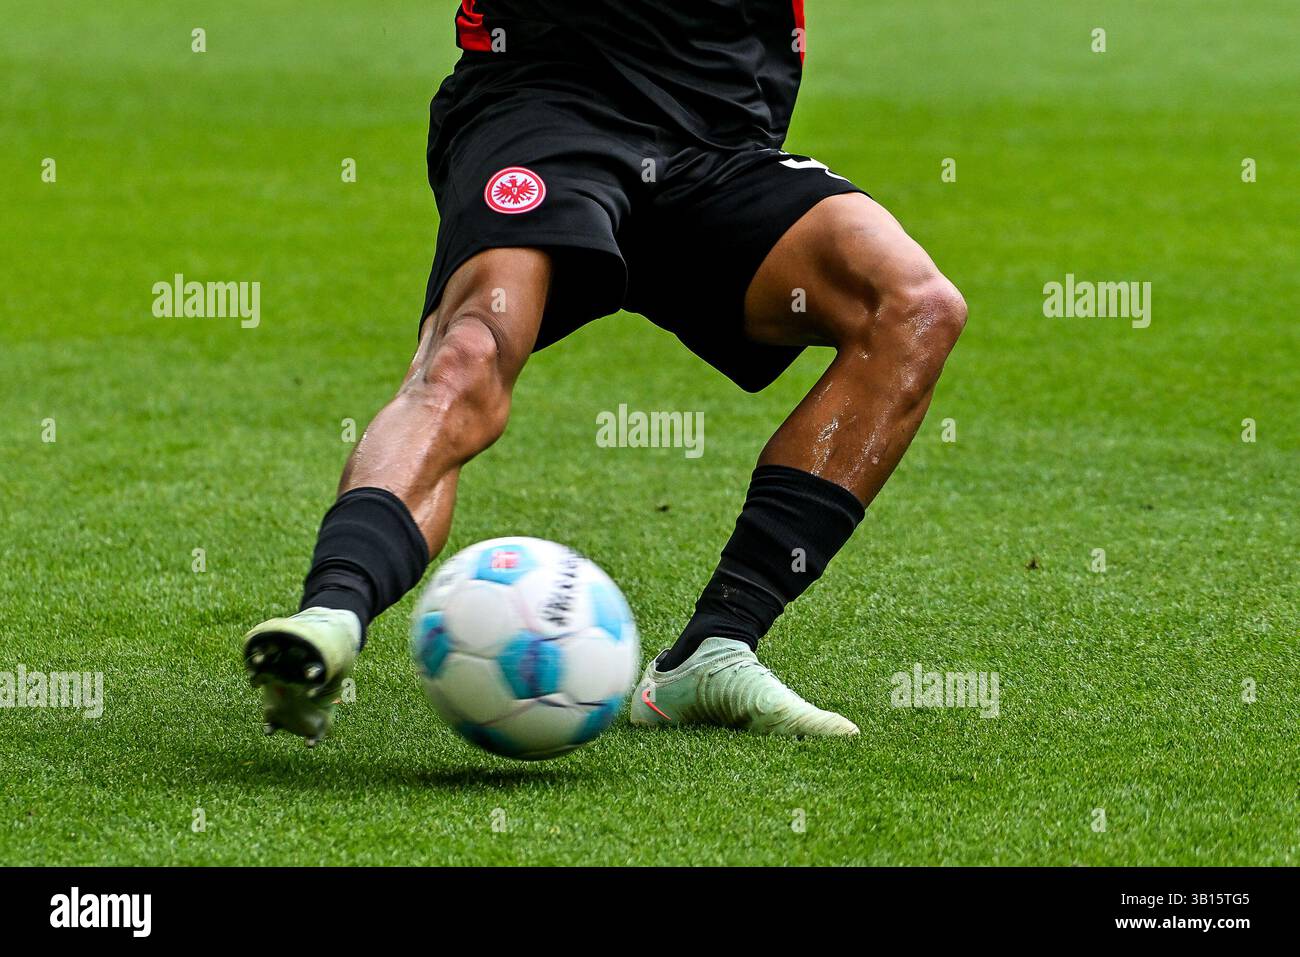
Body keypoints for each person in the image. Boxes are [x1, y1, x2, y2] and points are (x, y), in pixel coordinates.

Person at [242, 1, 966, 745]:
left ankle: (715, 647)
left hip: (717, 136)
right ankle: (331, 615)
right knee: (468, 354)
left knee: (914, 307)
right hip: (544, 107)